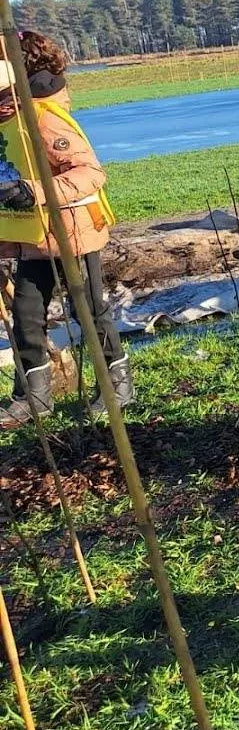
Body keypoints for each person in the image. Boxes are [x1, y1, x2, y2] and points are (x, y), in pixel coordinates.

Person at [0, 30, 129, 430]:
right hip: (31, 238)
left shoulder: (42, 118)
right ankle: (33, 398)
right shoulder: (9, 118)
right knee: (25, 315)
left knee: (88, 311)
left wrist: (34, 191)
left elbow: (91, 173)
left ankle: (116, 386)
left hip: (71, 232)